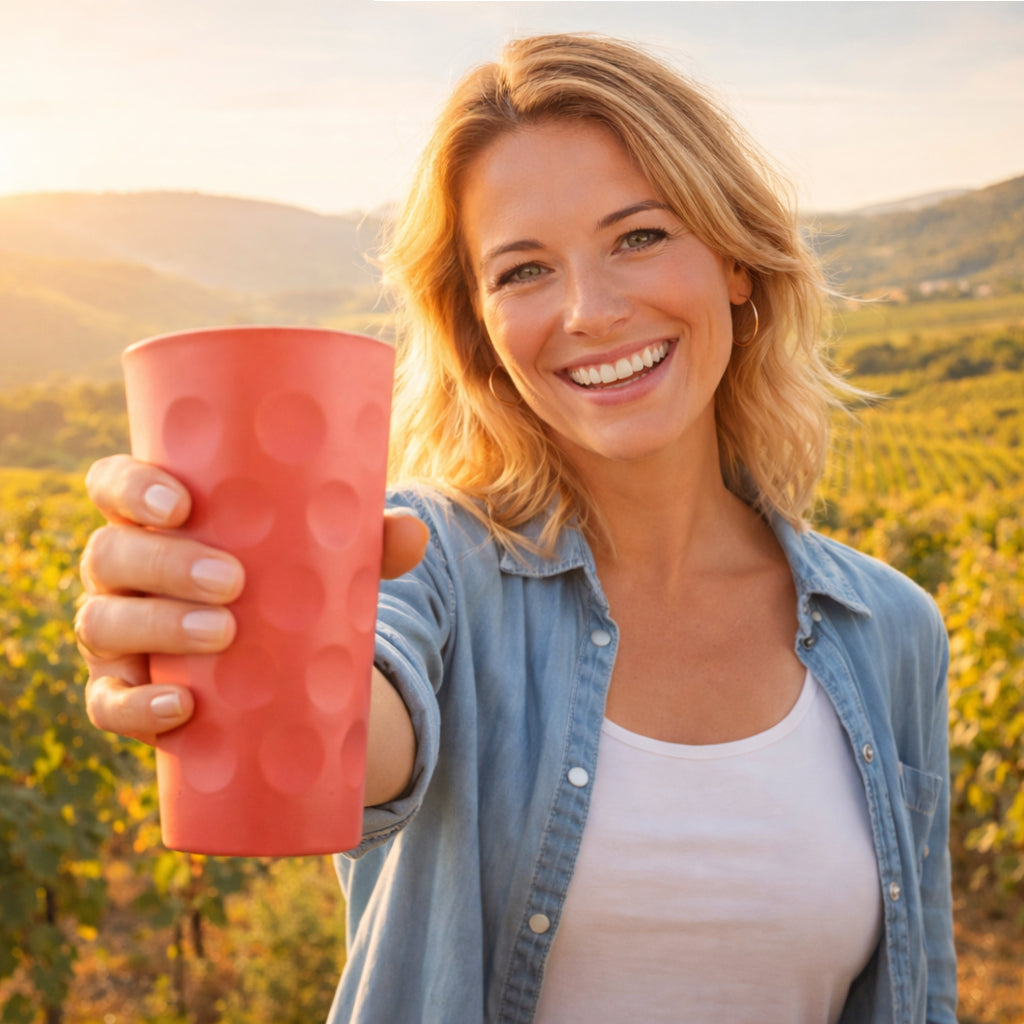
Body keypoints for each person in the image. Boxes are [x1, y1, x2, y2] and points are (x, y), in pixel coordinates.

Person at [75, 32, 957, 1024]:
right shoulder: (429, 562)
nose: (589, 311)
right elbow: (353, 732)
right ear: (478, 330)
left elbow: (916, 997)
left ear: (737, 261)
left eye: (638, 237)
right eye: (524, 270)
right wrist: (205, 623)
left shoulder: (889, 629)